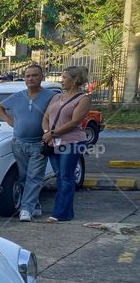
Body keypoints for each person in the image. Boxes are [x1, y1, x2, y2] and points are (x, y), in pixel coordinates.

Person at [0, 64, 58, 221]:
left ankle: (26, 209)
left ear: (41, 77)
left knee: (34, 177)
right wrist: (9, 120)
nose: (31, 79)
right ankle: (34, 205)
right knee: (23, 176)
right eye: (28, 76)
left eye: (34, 75)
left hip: (39, 143)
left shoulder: (50, 96)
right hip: (19, 143)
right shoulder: (18, 96)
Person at [42, 66, 91, 223]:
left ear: (75, 79)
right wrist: (46, 132)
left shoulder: (83, 99)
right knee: (60, 176)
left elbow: (75, 122)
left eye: (64, 77)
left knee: (66, 176)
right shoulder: (57, 97)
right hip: (53, 141)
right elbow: (46, 116)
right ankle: (66, 212)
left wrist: (52, 133)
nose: (61, 80)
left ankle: (60, 213)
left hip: (72, 141)